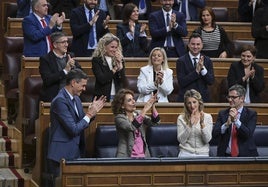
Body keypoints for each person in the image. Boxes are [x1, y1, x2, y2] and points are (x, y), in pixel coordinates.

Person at [47, 69, 106, 182]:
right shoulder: (60, 101)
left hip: (76, 152)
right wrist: (89, 114)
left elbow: (81, 123)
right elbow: (73, 129)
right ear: (73, 83)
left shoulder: (77, 99)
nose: (84, 89)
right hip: (61, 154)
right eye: (83, 86)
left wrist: (92, 114)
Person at [212, 84, 259, 157]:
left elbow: (248, 134)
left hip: (246, 156)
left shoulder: (251, 114)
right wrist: (226, 125)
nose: (230, 100)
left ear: (242, 98)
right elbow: (215, 134)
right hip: (225, 155)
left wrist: (236, 121)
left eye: (233, 97)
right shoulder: (223, 113)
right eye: (229, 97)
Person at [111, 88, 160, 158]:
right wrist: (145, 109)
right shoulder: (119, 118)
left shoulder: (138, 114)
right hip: (126, 157)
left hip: (144, 155)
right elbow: (131, 127)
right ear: (122, 105)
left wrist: (153, 106)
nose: (133, 101)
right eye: (129, 100)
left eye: (133, 99)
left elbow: (155, 122)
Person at [39, 32, 82, 102]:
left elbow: (81, 75)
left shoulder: (71, 56)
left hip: (72, 95)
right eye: (63, 42)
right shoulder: (46, 59)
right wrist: (65, 70)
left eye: (67, 42)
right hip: (54, 97)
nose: (66, 45)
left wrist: (74, 67)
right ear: (55, 45)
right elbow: (47, 80)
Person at [176, 33, 214, 102]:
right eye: (193, 44)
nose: (195, 47)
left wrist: (202, 68)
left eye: (198, 44)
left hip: (203, 99)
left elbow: (210, 81)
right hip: (186, 99)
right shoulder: (181, 61)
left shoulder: (207, 60)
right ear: (188, 45)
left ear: (202, 45)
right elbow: (182, 82)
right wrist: (196, 72)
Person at [177, 89, 213, 157]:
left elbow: (207, 139)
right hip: (186, 153)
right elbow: (181, 140)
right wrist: (189, 125)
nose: (192, 106)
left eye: (194, 102)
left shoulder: (208, 117)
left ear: (199, 102)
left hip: (203, 153)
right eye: (189, 103)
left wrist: (202, 124)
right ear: (186, 104)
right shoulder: (181, 118)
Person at [92, 33, 127, 102]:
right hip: (102, 97)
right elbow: (102, 79)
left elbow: (123, 81)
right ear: (104, 46)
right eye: (112, 47)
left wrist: (120, 65)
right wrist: (115, 69)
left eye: (116, 47)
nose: (114, 50)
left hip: (118, 97)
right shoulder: (97, 60)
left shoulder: (119, 60)